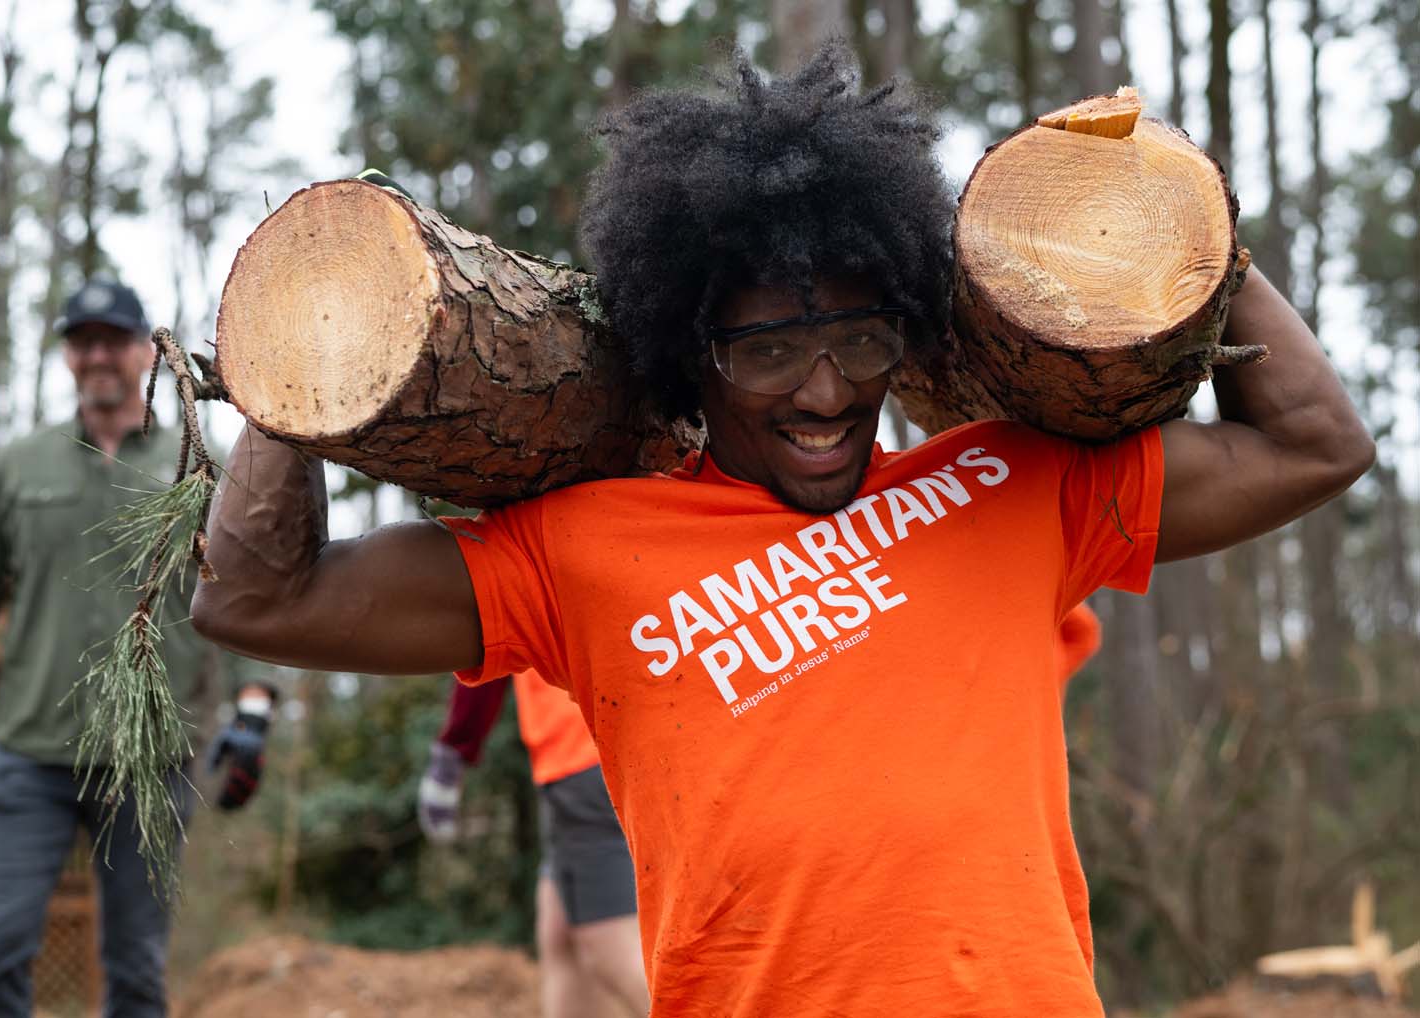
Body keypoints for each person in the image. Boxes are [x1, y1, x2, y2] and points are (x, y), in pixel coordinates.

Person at [190, 44, 1373, 1017]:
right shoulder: (580, 550)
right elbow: (256, 598)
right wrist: (300, 369)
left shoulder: (1012, 484)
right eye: (763, 351)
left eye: (858, 341)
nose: (821, 392)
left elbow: (1318, 445)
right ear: (686, 362)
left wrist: (1189, 216)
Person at [0, 278, 276, 1018]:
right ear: (67, 358)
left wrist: (253, 712)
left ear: (146, 349)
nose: (98, 356)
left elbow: (242, 591)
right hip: (27, 751)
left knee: (138, 974)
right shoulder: (22, 467)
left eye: (112, 340)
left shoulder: (194, 466)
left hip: (150, 757)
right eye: (82, 342)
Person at [421, 670, 648, 1017]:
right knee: (559, 936)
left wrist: (454, 747)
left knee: (608, 946)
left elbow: (484, 640)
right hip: (590, 751)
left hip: (579, 752)